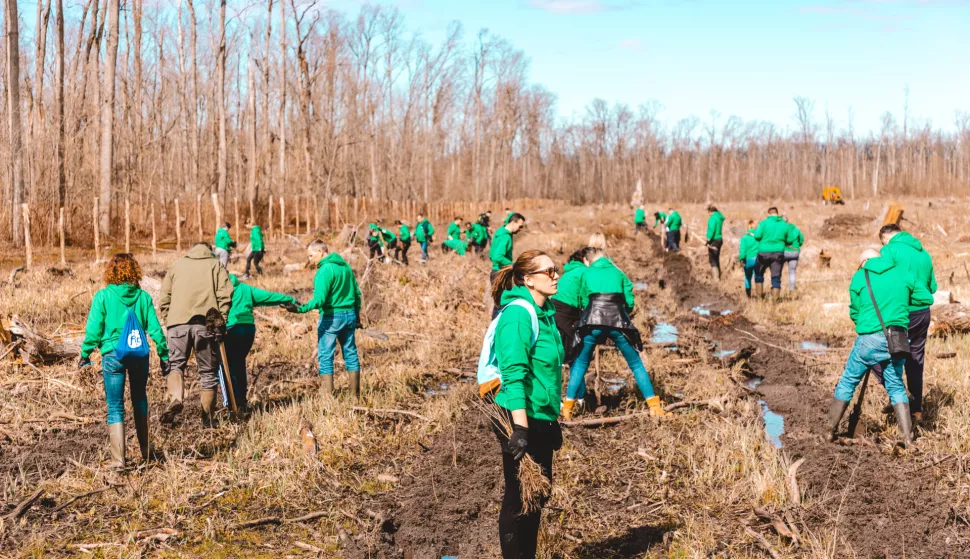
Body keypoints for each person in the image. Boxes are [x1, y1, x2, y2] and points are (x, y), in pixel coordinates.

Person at [489, 250, 564, 559]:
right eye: (549, 271)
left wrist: (551, 419)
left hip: (539, 415)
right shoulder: (519, 314)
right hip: (518, 416)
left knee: (536, 496)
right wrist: (520, 429)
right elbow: (514, 374)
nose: (556, 275)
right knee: (519, 498)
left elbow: (546, 373)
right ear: (529, 279)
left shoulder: (545, 314)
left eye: (556, 269)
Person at [826, 249, 932, 448]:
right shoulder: (903, 273)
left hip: (869, 338)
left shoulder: (860, 276)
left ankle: (829, 431)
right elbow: (926, 298)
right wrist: (899, 307)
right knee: (896, 386)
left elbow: (855, 310)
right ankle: (907, 439)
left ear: (865, 261)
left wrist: (867, 325)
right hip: (897, 339)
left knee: (848, 380)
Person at [79, 254, 169, 469]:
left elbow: (93, 330)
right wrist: (164, 356)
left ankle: (118, 460)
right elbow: (156, 330)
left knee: (115, 407)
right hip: (140, 355)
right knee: (140, 399)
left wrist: (85, 353)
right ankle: (147, 452)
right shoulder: (143, 297)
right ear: (134, 272)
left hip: (112, 356)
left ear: (111, 272)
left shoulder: (102, 296)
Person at [562, 247, 665, 420]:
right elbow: (630, 300)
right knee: (636, 364)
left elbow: (583, 300)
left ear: (588, 260)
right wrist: (624, 311)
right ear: (606, 257)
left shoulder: (587, 273)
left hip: (592, 320)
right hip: (617, 321)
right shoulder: (618, 272)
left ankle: (567, 410)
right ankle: (654, 406)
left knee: (580, 364)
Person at [159, 242, 233, 426]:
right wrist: (220, 321)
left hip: (177, 324)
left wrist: (170, 320)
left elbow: (164, 297)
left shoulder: (177, 264)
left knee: (175, 365)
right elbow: (225, 295)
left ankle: (176, 397)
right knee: (208, 372)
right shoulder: (215, 264)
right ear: (209, 250)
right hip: (205, 325)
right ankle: (207, 419)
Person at [870, 224, 937, 421]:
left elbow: (882, 283)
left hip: (899, 314)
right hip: (922, 313)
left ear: (884, 237)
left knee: (880, 354)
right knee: (915, 360)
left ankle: (899, 397)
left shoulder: (888, 251)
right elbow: (932, 287)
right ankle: (916, 409)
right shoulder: (924, 253)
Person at [290, 240, 363, 398]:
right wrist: (357, 316)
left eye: (311, 255)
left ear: (321, 252)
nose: (310, 259)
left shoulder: (324, 270)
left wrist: (300, 308)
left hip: (331, 317)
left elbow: (319, 300)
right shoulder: (345, 267)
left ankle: (327, 396)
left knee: (325, 355)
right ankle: (355, 395)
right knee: (350, 353)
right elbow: (357, 294)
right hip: (349, 315)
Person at [225, 274, 298, 415]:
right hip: (248, 330)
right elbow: (267, 296)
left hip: (231, 329)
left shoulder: (219, 289)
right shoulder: (244, 288)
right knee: (239, 363)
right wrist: (289, 299)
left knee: (226, 366)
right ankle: (241, 400)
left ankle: (231, 403)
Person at [550, 248, 590, 364]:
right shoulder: (583, 271)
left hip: (556, 306)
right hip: (567, 310)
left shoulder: (571, 269)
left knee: (566, 347)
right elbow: (585, 296)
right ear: (584, 259)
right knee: (577, 351)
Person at [752, 207, 794, 300]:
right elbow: (790, 240)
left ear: (768, 214)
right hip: (778, 254)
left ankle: (759, 299)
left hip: (763, 253)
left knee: (758, 273)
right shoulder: (784, 224)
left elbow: (757, 236)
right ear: (777, 214)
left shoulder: (763, 223)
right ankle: (775, 302)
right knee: (776, 276)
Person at [738, 220, 761, 298]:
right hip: (757, 259)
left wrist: (741, 259)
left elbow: (742, 250)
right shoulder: (758, 237)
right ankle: (759, 296)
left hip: (748, 260)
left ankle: (749, 296)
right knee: (758, 277)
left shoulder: (744, 237)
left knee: (747, 277)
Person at [783, 219, 805, 290]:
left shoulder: (782, 229)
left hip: (784, 251)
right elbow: (801, 239)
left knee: (778, 271)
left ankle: (776, 288)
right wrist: (798, 245)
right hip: (795, 251)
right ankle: (791, 290)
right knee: (792, 272)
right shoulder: (796, 228)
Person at [706, 205, 725, 281]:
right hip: (719, 240)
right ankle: (718, 277)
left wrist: (708, 239)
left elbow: (711, 229)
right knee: (716, 258)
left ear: (710, 211)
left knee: (712, 259)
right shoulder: (719, 217)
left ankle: (716, 279)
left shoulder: (713, 218)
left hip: (714, 240)